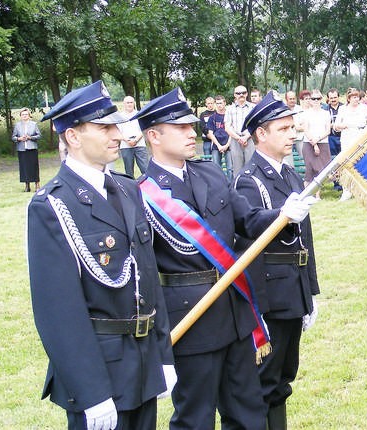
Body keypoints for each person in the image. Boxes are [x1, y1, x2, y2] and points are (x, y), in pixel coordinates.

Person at [132, 87, 313, 430]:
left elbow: (246, 220)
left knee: (248, 413)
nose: (192, 133)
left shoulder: (211, 174)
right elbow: (142, 270)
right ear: (153, 136)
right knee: (195, 417)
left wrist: (282, 216)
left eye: (191, 126)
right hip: (189, 318)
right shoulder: (140, 193)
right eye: (181, 128)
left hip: (233, 313)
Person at [28, 80, 175, 430]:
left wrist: (163, 355)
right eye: (104, 126)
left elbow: (149, 277)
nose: (117, 134)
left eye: (116, 125)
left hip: (142, 362)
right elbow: (58, 311)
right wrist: (90, 391)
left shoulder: (127, 188)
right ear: (73, 137)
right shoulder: (53, 205)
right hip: (101, 369)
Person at [234, 91, 320, 430]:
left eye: (291, 127)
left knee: (283, 378)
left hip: (294, 291)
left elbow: (305, 239)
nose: (292, 134)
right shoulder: (248, 180)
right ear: (261, 134)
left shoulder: (290, 175)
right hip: (271, 296)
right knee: (265, 381)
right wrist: (259, 307)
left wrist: (310, 291)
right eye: (283, 129)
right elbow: (249, 237)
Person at [334, 88, 367, 200]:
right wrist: (344, 125)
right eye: (353, 97)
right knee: (346, 163)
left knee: (361, 162)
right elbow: (336, 126)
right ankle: (346, 190)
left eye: (357, 97)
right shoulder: (342, 109)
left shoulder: (364, 108)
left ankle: (362, 190)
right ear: (349, 98)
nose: (356, 99)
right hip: (347, 137)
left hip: (360, 136)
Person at [299, 90, 331, 199]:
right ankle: (304, 195)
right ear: (310, 100)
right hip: (309, 143)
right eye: (313, 98)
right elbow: (306, 130)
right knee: (309, 170)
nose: (316, 101)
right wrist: (314, 144)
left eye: (318, 98)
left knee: (321, 170)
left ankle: (317, 195)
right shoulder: (306, 114)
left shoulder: (326, 113)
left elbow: (328, 131)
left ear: (321, 100)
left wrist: (317, 140)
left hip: (323, 143)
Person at [225, 85, 256, 179]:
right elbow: (227, 127)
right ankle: (238, 190)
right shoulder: (229, 109)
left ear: (247, 94)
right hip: (235, 140)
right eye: (238, 93)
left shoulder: (253, 107)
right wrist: (239, 138)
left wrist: (246, 137)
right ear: (235, 95)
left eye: (243, 92)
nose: (241, 95)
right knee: (237, 168)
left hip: (250, 140)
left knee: (251, 167)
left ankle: (252, 189)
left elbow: (255, 125)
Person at [117, 96, 149, 178]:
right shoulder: (119, 117)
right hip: (125, 146)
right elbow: (118, 132)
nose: (129, 104)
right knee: (129, 172)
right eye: (127, 102)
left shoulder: (139, 114)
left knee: (145, 169)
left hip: (140, 145)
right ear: (124, 104)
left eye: (131, 102)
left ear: (134, 103)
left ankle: (149, 187)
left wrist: (136, 140)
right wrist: (127, 140)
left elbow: (143, 129)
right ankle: (131, 189)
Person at [12, 107, 41, 192]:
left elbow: (39, 135)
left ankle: (37, 185)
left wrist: (30, 137)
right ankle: (27, 186)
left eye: (26, 114)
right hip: (22, 149)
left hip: (32, 148)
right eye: (23, 114)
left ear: (29, 115)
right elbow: (13, 137)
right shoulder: (17, 125)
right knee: (24, 168)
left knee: (34, 167)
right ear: (20, 116)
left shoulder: (34, 124)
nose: (24, 116)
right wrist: (19, 139)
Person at [207, 95, 232, 179]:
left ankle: (231, 187)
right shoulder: (212, 118)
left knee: (230, 169)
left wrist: (227, 145)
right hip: (216, 145)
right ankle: (220, 186)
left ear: (225, 103)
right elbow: (210, 133)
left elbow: (233, 132)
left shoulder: (229, 116)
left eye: (221, 103)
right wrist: (218, 145)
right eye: (217, 103)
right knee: (216, 169)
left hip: (229, 145)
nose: (219, 105)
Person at [324, 88, 343, 191]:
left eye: (335, 97)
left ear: (338, 97)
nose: (333, 99)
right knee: (333, 161)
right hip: (331, 137)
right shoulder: (325, 109)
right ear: (328, 98)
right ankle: (337, 184)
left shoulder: (344, 107)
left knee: (344, 160)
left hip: (343, 136)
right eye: (331, 98)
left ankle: (345, 183)